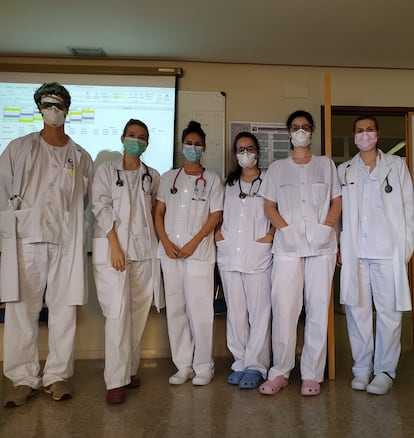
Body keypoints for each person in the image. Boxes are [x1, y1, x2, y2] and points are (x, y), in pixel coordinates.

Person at [0, 82, 93, 407]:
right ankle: (23, 379)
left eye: (57, 103)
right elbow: (2, 194)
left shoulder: (80, 156)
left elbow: (83, 202)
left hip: (66, 243)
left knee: (64, 311)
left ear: (67, 108)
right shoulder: (18, 148)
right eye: (46, 103)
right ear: (39, 107)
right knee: (21, 311)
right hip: (26, 241)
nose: (52, 108)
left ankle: (56, 376)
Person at [259, 110, 341, 396]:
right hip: (287, 249)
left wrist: (326, 228)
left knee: (318, 309)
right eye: (296, 127)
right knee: (285, 309)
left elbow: (336, 201)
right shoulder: (277, 169)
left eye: (306, 127)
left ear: (313, 131)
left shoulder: (326, 165)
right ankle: (280, 372)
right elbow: (269, 206)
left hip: (321, 248)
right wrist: (286, 230)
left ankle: (312, 375)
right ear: (288, 133)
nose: (301, 131)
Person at [338, 115, 414, 395]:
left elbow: (409, 207)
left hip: (387, 253)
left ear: (378, 134)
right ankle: (361, 369)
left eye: (369, 130)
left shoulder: (397, 165)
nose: (365, 135)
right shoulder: (344, 170)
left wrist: (404, 248)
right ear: (354, 135)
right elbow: (339, 214)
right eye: (359, 131)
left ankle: (384, 370)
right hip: (356, 252)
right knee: (357, 313)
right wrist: (338, 246)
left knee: (389, 314)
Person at [91, 119, 163, 404]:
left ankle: (130, 370)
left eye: (142, 137)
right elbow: (100, 206)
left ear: (147, 143)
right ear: (122, 138)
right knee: (118, 315)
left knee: (137, 315)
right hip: (115, 253)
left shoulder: (152, 175)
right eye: (132, 135)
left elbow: (156, 211)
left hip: (144, 252)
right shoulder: (106, 172)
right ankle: (115, 381)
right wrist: (115, 246)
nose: (137, 140)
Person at [154, 120, 224, 386]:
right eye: (189, 144)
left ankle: (204, 365)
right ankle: (182, 365)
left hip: (199, 254)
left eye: (197, 144)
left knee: (200, 311)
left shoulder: (213, 180)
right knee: (176, 309)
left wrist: (194, 242)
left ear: (204, 148)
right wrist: (165, 240)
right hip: (170, 253)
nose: (193, 148)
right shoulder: (168, 177)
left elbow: (215, 215)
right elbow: (159, 212)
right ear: (182, 146)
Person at [215, 132, 273, 389]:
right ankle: (239, 361)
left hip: (258, 254)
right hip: (229, 254)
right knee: (236, 313)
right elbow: (216, 213)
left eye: (249, 148)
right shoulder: (227, 184)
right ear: (234, 153)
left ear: (258, 151)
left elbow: (281, 211)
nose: (245, 153)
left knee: (259, 313)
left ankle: (257, 365)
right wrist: (219, 236)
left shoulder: (270, 180)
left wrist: (270, 235)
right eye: (240, 149)